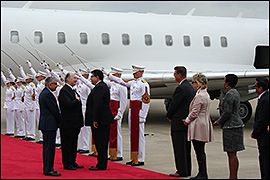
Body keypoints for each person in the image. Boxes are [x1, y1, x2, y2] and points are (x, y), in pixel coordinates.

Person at [102, 64, 150, 166]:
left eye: (136, 73)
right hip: (133, 109)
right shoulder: (132, 82)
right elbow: (121, 81)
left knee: (139, 135)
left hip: (139, 110)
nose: (134, 75)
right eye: (133, 73)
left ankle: (140, 158)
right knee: (132, 134)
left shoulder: (144, 84)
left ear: (141, 72)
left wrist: (142, 115)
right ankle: (134, 157)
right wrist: (108, 75)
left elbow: (146, 101)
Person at [183, 73, 214, 179]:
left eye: (194, 82)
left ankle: (202, 173)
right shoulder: (205, 94)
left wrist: (187, 120)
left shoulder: (200, 96)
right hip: (204, 123)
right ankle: (202, 172)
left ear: (198, 83)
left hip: (199, 125)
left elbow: (195, 112)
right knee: (200, 151)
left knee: (199, 151)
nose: (193, 84)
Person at [213, 74, 245, 179]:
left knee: (231, 154)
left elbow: (227, 112)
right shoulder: (235, 93)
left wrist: (219, 121)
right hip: (236, 124)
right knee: (233, 154)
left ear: (227, 83)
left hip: (231, 126)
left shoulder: (229, 95)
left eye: (224, 81)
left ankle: (233, 177)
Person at [166, 66, 196, 178]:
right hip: (186, 121)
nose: (174, 76)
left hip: (178, 122)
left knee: (179, 148)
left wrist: (169, 115)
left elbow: (174, 104)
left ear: (179, 75)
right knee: (186, 148)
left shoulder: (181, 88)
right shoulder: (190, 87)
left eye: (175, 74)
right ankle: (187, 169)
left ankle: (181, 170)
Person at [85, 69, 114, 170]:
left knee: (101, 142)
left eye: (92, 76)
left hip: (101, 120)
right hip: (101, 119)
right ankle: (101, 163)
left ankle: (101, 164)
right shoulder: (100, 86)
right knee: (100, 142)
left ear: (97, 77)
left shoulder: (100, 87)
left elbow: (98, 105)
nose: (91, 79)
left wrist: (95, 119)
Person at [58, 72, 84, 170]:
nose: (76, 79)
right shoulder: (64, 90)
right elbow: (68, 104)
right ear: (68, 79)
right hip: (68, 123)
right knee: (67, 144)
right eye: (74, 78)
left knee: (73, 143)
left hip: (75, 123)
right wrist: (76, 100)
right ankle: (67, 163)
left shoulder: (73, 90)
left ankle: (73, 161)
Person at [38, 77, 62, 176]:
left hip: (46, 123)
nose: (57, 86)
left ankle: (48, 168)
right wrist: (60, 121)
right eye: (55, 84)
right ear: (49, 85)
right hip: (49, 124)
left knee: (48, 147)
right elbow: (54, 110)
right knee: (49, 148)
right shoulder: (48, 95)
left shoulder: (45, 93)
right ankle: (48, 169)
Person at [105, 67, 128, 161]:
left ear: (118, 75)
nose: (112, 77)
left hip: (116, 110)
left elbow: (123, 101)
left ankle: (119, 153)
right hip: (111, 110)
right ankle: (112, 153)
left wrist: (120, 113)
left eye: (113, 75)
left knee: (117, 133)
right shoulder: (113, 84)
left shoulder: (122, 86)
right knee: (111, 133)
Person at [251, 77, 269, 179]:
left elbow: (262, 119)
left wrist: (255, 132)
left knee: (265, 160)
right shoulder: (265, 97)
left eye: (256, 86)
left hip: (264, 137)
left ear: (261, 88)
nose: (255, 88)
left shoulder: (264, 100)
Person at [26, 60, 46, 144]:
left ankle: (43, 138)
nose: (37, 77)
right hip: (37, 104)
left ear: (43, 77)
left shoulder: (45, 83)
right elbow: (34, 75)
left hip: (42, 104)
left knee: (42, 121)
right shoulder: (39, 83)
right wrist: (30, 66)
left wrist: (44, 66)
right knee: (39, 121)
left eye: (39, 76)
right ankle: (39, 137)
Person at [19, 65, 37, 141]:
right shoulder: (27, 85)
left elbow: (34, 95)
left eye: (27, 79)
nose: (26, 80)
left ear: (31, 79)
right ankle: (28, 134)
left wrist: (32, 105)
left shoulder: (32, 85)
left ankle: (32, 135)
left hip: (31, 105)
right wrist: (21, 70)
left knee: (31, 121)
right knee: (27, 120)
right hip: (26, 105)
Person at [77, 68, 91, 154]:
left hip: (85, 108)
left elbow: (90, 98)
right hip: (80, 108)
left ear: (85, 75)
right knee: (81, 128)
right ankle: (81, 146)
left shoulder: (87, 86)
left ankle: (85, 147)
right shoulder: (80, 84)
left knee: (85, 129)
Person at [1, 70, 16, 136]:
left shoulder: (12, 89)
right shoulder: (8, 88)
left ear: (11, 83)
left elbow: (13, 97)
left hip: (10, 105)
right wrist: (2, 74)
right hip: (7, 105)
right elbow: (4, 80)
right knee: (8, 118)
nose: (6, 84)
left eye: (8, 83)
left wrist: (12, 106)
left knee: (10, 118)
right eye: (6, 83)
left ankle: (11, 131)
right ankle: (8, 131)